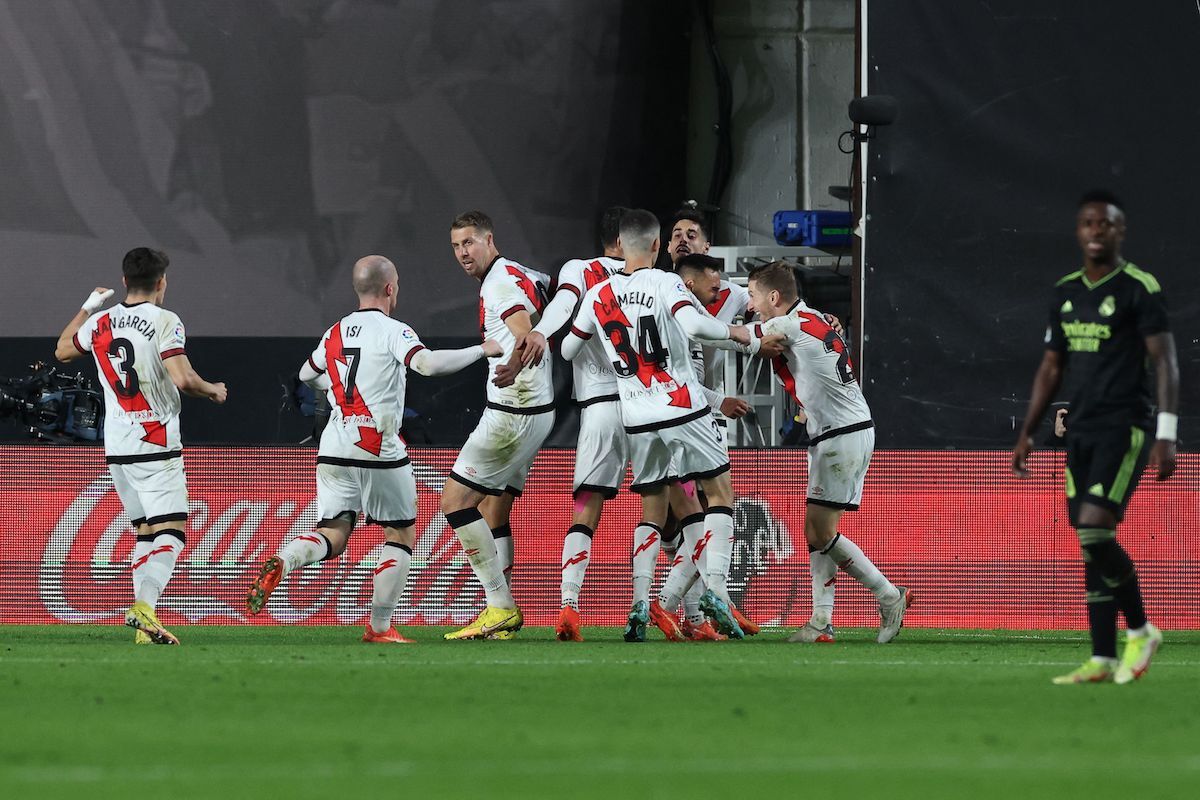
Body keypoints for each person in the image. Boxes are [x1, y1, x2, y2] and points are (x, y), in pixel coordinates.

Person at [245, 255, 499, 642]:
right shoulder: (393, 330)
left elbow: (306, 374)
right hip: (377, 447)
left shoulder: (334, 331)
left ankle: (287, 558)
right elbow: (427, 365)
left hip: (333, 446)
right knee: (400, 534)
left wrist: (326, 398)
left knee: (334, 530)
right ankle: (379, 626)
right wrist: (482, 350)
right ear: (390, 289)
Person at [560, 208, 752, 641]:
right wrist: (742, 336)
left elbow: (570, 349)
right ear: (654, 245)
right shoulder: (666, 282)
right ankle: (716, 591)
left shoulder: (597, 293)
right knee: (717, 494)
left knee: (652, 510)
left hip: (635, 416)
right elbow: (695, 324)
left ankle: (640, 604)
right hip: (682, 408)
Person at [1012, 190, 1177, 685]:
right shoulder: (1066, 291)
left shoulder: (1138, 287)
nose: (1095, 231)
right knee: (1091, 544)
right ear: (1078, 231)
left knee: (1094, 530)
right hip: (1078, 429)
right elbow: (1052, 365)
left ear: (1119, 231)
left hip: (1123, 426)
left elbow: (1165, 361)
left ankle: (1142, 631)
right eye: (1087, 223)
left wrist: (1165, 433)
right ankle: (1103, 658)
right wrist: (1028, 431)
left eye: (1105, 224)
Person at [54, 247, 227, 645]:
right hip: (157, 443)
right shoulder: (166, 320)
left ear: (123, 282)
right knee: (173, 531)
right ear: (161, 282)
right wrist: (213, 390)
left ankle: (144, 627)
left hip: (118, 447)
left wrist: (87, 307)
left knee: (146, 533)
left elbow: (62, 349)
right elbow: (183, 378)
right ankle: (145, 608)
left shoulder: (101, 322)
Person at [745, 261, 911, 644]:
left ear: (774, 297)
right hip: (838, 431)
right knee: (818, 532)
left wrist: (685, 329)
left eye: (754, 296)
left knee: (818, 531)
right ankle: (821, 621)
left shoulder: (787, 325)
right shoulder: (814, 316)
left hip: (842, 433)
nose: (750, 304)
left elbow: (736, 337)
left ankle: (888, 595)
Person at [494, 207, 628, 641]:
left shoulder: (581, 269)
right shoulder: (654, 279)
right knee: (675, 504)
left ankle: (569, 603)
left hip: (602, 409)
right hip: (655, 412)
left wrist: (538, 334)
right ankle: (673, 609)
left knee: (585, 510)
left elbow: (565, 306)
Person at [441, 211, 554, 640]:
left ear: (490, 239)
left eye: (469, 243)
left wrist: (514, 360)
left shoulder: (500, 283)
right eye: (456, 246)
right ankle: (502, 613)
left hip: (512, 414)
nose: (462, 253)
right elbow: (549, 293)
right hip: (537, 410)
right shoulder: (520, 271)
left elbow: (524, 331)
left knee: (454, 502)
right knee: (493, 508)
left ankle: (499, 606)